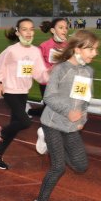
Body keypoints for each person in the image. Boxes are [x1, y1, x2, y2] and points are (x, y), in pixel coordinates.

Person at [30, 30, 99, 201]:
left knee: (81, 165)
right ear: (78, 49)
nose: (95, 53)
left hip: (71, 126)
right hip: (52, 122)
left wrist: (81, 119)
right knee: (58, 167)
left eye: (96, 50)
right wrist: (68, 112)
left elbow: (85, 98)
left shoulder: (88, 71)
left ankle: (46, 143)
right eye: (91, 49)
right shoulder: (61, 69)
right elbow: (49, 96)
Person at [0, 18, 48, 169]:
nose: (29, 32)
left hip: (23, 92)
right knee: (25, 122)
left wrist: (52, 75)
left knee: (15, 126)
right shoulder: (11, 50)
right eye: (25, 29)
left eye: (31, 29)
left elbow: (40, 73)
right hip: (9, 90)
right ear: (18, 32)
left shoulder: (35, 51)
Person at [29, 18, 69, 154]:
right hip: (48, 83)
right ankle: (44, 134)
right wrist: (50, 69)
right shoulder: (45, 46)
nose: (65, 30)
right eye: (61, 27)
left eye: (66, 27)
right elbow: (37, 66)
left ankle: (45, 132)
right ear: (53, 30)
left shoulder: (68, 46)